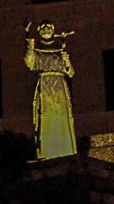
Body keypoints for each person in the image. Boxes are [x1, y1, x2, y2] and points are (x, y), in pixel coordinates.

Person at [23, 19, 77, 159]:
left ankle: (65, 150)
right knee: (46, 117)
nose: (46, 29)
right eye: (42, 27)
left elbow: (71, 73)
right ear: (39, 31)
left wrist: (67, 62)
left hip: (59, 87)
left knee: (61, 118)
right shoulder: (37, 51)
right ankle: (47, 152)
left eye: (49, 27)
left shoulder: (60, 50)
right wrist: (28, 39)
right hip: (45, 86)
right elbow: (29, 63)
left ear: (53, 30)